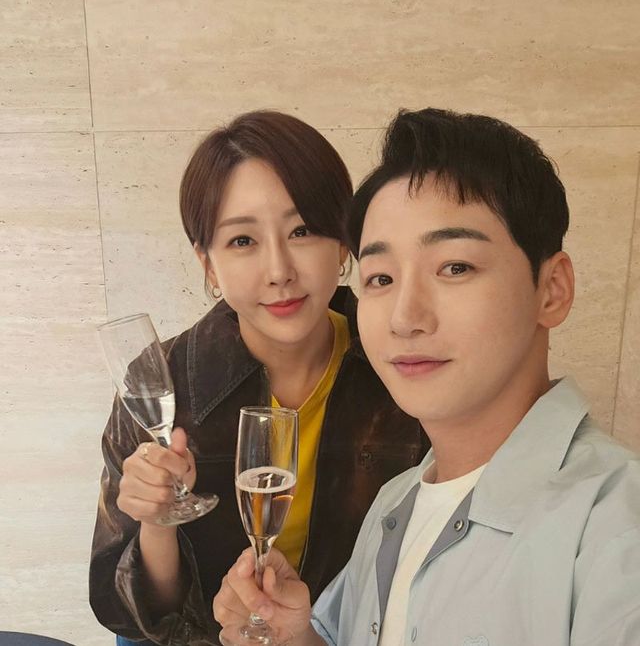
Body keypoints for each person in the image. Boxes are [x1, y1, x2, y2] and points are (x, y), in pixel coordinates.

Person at [213, 108, 640, 645]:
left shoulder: (616, 531)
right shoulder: (396, 502)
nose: (404, 317)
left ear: (551, 290)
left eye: (454, 267)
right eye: (380, 278)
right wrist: (295, 636)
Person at [89, 110, 427, 646]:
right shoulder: (162, 383)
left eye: (302, 231)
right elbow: (141, 617)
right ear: (207, 262)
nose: (279, 271)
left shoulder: (403, 367)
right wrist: (157, 520)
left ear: (344, 242)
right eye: (243, 241)